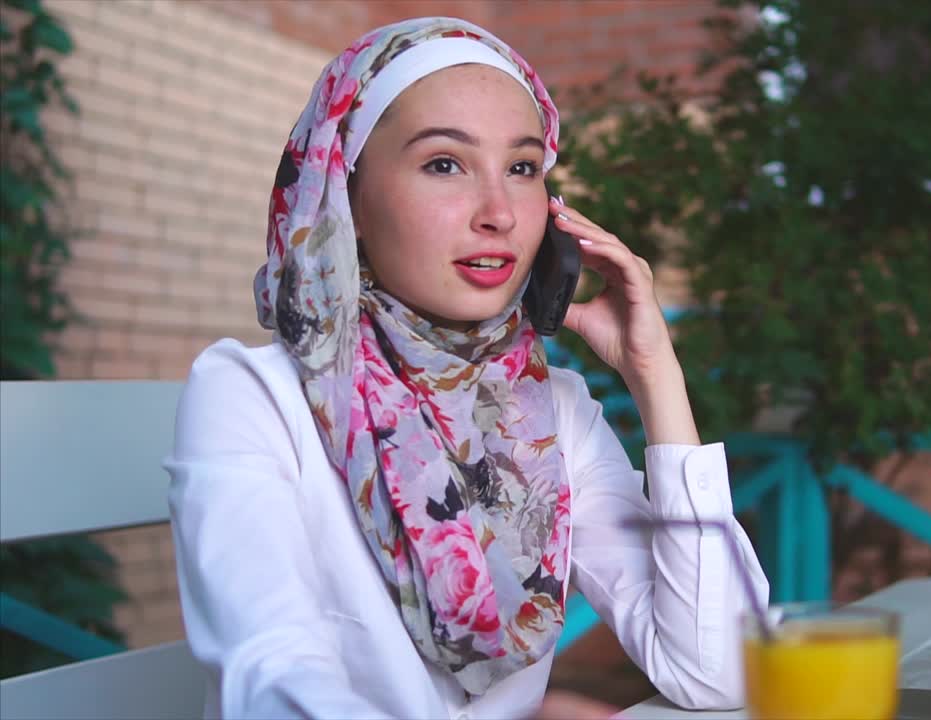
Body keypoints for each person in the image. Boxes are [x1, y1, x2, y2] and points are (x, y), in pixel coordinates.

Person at [164, 16, 770, 720]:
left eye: (522, 169)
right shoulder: (252, 396)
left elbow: (722, 673)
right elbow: (274, 678)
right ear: (345, 197)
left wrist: (655, 370)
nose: (500, 214)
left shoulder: (551, 412)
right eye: (444, 163)